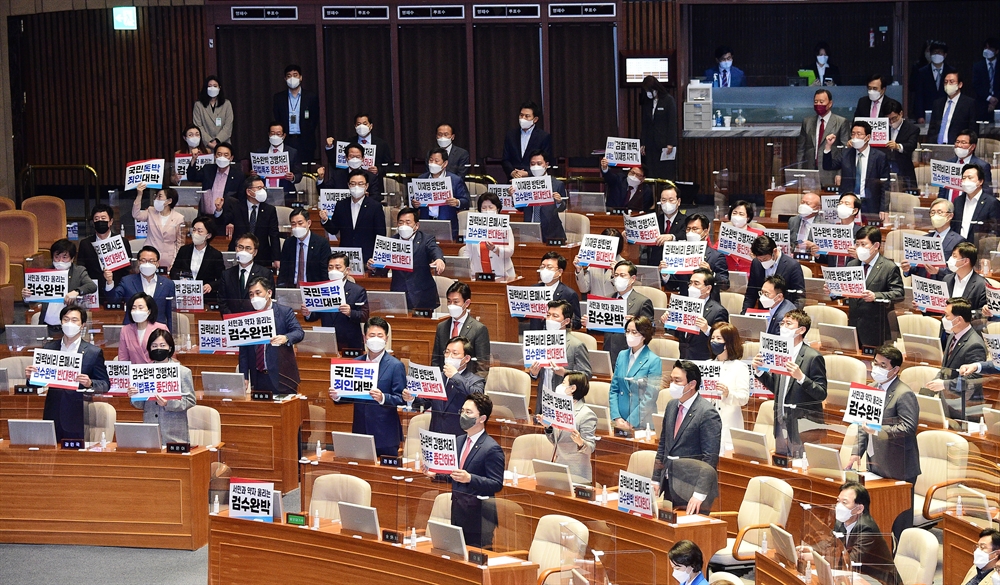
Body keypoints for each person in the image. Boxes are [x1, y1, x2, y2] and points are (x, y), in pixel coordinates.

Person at [846, 345, 919, 543]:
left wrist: (879, 431)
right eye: (875, 363)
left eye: (882, 365)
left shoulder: (904, 394)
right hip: (876, 463)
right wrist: (856, 453)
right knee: (879, 516)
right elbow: (863, 425)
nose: (876, 368)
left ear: (895, 370)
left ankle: (902, 560)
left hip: (899, 467)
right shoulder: (873, 388)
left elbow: (908, 428)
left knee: (899, 523)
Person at [428, 393, 505, 549]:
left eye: (468, 412)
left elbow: (496, 484)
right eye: (462, 411)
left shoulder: (492, 448)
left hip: (480, 518)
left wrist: (470, 478)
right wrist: (435, 474)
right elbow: (454, 474)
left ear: (482, 418)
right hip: (457, 511)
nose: (463, 415)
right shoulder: (459, 441)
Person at [24, 305, 109, 440]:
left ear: (82, 325)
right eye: (66, 319)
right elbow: (36, 384)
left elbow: (105, 384)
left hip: (78, 413)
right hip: (52, 411)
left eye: (74, 320)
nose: (70, 323)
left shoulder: (93, 352)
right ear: (61, 322)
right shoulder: (49, 348)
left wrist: (90, 382)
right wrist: (30, 377)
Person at [752, 309, 827, 456]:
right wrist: (759, 371)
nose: (783, 327)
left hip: (804, 426)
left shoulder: (813, 357)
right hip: (780, 421)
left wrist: (801, 378)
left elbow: (821, 394)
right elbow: (777, 388)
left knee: (801, 469)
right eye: (782, 323)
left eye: (788, 324)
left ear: (801, 330)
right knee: (781, 466)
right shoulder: (779, 353)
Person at [652, 360, 722, 514]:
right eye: (671, 380)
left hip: (693, 489)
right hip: (670, 483)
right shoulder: (671, 406)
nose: (672, 384)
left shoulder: (707, 413)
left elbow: (710, 458)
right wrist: (656, 478)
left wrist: (699, 494)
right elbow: (663, 445)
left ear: (691, 384)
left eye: (677, 381)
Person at [330, 316, 406, 456]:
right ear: (365, 338)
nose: (375, 339)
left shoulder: (396, 366)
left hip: (385, 434)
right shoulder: (355, 363)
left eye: (379, 335)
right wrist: (338, 396)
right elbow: (350, 394)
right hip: (360, 431)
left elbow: (401, 398)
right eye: (372, 335)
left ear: (386, 339)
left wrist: (383, 397)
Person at [836, 226, 904, 348]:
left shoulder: (889, 267)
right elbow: (846, 289)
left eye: (864, 244)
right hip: (854, 325)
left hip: (877, 329)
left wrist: (876, 296)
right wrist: (833, 290)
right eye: (857, 244)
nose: (859, 248)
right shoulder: (852, 264)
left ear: (876, 245)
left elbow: (899, 293)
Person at [366, 207, 445, 311]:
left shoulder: (426, 239)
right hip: (398, 295)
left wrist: (439, 259)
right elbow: (383, 269)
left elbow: (434, 249)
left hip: (422, 296)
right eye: (401, 222)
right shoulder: (390, 242)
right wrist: (373, 266)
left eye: (408, 222)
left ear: (416, 225)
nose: (404, 226)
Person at [406, 336, 485, 436]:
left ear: (466, 358)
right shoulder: (437, 377)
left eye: (455, 353)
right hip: (436, 435)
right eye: (447, 352)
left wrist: (455, 376)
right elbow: (425, 402)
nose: (449, 357)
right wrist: (412, 398)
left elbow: (477, 396)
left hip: (460, 437)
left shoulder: (476, 381)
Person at [128, 329, 196, 444]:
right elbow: (140, 405)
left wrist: (168, 403)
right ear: (149, 349)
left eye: (162, 345)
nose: (158, 348)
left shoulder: (183, 372)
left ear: (169, 348)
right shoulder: (143, 372)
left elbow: (190, 400)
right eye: (154, 346)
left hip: (174, 434)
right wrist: (134, 395)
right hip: (150, 432)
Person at [238, 277, 304, 395]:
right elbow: (244, 351)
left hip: (282, 377)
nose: (254, 298)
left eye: (258, 293)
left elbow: (299, 332)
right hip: (258, 378)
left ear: (269, 293)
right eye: (251, 294)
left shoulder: (284, 312)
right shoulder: (247, 317)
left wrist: (286, 338)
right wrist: (244, 376)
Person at [21, 238, 97, 336]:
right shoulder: (44, 273)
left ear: (72, 258)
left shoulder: (78, 271)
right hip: (46, 326)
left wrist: (76, 291)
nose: (60, 260)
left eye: (64, 257)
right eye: (57, 257)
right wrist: (26, 295)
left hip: (69, 327)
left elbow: (92, 286)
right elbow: (32, 302)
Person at [831, 481, 902, 585]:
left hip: (877, 581)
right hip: (857, 576)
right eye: (838, 501)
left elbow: (851, 562)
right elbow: (830, 544)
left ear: (859, 509)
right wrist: (812, 551)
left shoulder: (866, 529)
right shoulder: (841, 522)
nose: (838, 506)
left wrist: (822, 558)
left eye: (844, 503)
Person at [927, 297, 987, 418]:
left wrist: (944, 384)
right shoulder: (953, 335)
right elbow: (946, 367)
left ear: (958, 319)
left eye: (947, 315)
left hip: (965, 407)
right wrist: (936, 381)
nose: (944, 319)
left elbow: (972, 381)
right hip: (949, 402)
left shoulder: (975, 344)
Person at [823, 120, 890, 222]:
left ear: (868, 137)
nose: (855, 137)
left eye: (859, 134)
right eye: (853, 134)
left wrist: (883, 208)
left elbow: (885, 185)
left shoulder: (879, 156)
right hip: (849, 204)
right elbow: (828, 166)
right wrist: (828, 146)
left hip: (870, 203)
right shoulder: (845, 153)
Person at [530, 300, 592, 410]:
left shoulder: (576, 345)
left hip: (566, 403)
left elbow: (586, 374)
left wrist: (565, 373)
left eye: (555, 316)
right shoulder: (540, 341)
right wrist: (534, 374)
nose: (549, 319)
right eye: (548, 315)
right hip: (543, 400)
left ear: (566, 321)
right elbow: (539, 374)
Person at [537, 371, 597, 484]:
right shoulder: (557, 411)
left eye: (563, 383)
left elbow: (591, 448)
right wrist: (548, 427)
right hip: (558, 469)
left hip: (577, 474)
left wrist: (580, 442)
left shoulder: (587, 414)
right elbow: (556, 441)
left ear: (572, 388)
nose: (559, 386)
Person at [301, 252, 369, 354]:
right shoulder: (321, 289)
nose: (333, 271)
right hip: (327, 341)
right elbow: (315, 315)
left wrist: (350, 312)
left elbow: (364, 315)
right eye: (330, 267)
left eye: (338, 267)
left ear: (347, 270)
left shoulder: (358, 291)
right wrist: (308, 313)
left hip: (350, 343)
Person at [592, 260, 653, 366]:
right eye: (616, 275)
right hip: (609, 352)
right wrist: (590, 323)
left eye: (622, 275)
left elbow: (651, 330)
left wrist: (636, 322)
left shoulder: (642, 302)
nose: (618, 278)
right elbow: (598, 329)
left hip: (630, 354)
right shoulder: (607, 299)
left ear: (632, 279)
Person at [319, 168, 386, 264]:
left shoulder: (375, 206)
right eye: (353, 184)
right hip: (345, 256)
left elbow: (380, 235)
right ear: (348, 185)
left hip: (367, 257)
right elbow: (334, 230)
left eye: (360, 184)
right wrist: (325, 220)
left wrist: (376, 258)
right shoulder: (341, 204)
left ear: (366, 186)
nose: (356, 187)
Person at [609, 316, 662, 431]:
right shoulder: (622, 355)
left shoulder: (654, 360)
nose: (629, 335)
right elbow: (614, 389)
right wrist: (616, 417)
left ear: (643, 335)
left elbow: (650, 396)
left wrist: (631, 421)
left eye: (634, 332)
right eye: (627, 331)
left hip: (641, 421)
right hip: (619, 420)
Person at [220, 175, 281, 270]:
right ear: (249, 191)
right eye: (259, 188)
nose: (263, 191)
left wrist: (276, 258)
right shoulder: (236, 207)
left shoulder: (269, 210)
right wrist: (219, 211)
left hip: (261, 255)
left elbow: (274, 235)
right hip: (239, 253)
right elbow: (223, 221)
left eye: (263, 188)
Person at [107, 246, 175, 331]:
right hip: (132, 330)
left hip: (158, 332)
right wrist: (109, 282)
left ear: (158, 263)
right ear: (139, 263)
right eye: (143, 260)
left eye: (151, 261)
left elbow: (170, 314)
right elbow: (113, 299)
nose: (147, 264)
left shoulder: (168, 284)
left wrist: (170, 336)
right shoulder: (127, 281)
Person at [665, 213, 729, 300]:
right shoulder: (680, 254)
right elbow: (672, 284)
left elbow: (725, 284)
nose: (691, 232)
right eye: (688, 229)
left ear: (705, 231)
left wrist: (711, 272)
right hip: (685, 302)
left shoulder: (716, 256)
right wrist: (666, 274)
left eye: (695, 229)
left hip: (708, 306)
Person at [707, 322, 750, 452]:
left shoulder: (740, 367)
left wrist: (728, 393)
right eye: (713, 338)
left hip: (729, 422)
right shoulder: (707, 365)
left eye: (718, 338)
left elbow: (744, 399)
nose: (714, 341)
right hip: (708, 421)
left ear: (728, 343)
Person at [508, 150, 567, 242]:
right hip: (529, 231)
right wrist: (513, 196)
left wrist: (559, 201)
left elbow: (563, 207)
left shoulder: (557, 184)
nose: (536, 167)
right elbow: (520, 208)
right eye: (532, 164)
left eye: (539, 163)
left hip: (552, 233)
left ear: (546, 165)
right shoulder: (524, 183)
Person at [432, 281, 490, 373]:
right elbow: (436, 361)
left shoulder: (478, 329)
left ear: (467, 303)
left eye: (456, 302)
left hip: (467, 383)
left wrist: (473, 386)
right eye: (449, 301)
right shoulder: (441, 327)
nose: (451, 305)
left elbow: (482, 367)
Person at [901, 198, 964, 281]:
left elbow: (960, 270)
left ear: (950, 216)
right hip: (922, 287)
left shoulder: (959, 241)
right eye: (932, 212)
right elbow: (916, 267)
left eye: (939, 212)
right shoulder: (924, 239)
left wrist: (938, 271)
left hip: (943, 287)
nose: (935, 216)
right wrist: (907, 269)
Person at [673, 269, 728, 361]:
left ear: (708, 288)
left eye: (696, 283)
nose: (691, 287)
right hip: (684, 358)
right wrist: (669, 320)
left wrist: (707, 330)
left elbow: (724, 339)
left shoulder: (719, 311)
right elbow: (678, 335)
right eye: (690, 283)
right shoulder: (683, 306)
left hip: (704, 360)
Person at [78, 204, 131, 302]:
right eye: (96, 219)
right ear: (93, 222)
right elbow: (81, 269)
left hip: (117, 291)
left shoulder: (122, 242)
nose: (100, 221)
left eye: (103, 218)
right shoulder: (85, 243)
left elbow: (126, 271)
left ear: (110, 221)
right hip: (93, 293)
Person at [417, 147, 470, 240]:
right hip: (426, 221)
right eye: (431, 160)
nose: (433, 163)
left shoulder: (455, 180)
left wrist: (457, 202)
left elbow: (466, 201)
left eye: (436, 161)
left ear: (445, 163)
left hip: (447, 222)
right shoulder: (421, 179)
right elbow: (413, 200)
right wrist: (415, 204)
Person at [797, 89, 849, 184]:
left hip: (831, 172)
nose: (818, 105)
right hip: (810, 171)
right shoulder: (807, 122)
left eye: (821, 102)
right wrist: (799, 172)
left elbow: (845, 151)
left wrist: (840, 173)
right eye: (815, 102)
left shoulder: (841, 122)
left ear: (830, 103)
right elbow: (801, 149)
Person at [743, 235, 804, 312]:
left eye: (765, 259)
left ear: (774, 251)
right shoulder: (756, 263)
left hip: (784, 314)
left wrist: (791, 318)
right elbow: (750, 294)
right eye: (760, 259)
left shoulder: (792, 266)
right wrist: (745, 313)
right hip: (764, 312)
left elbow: (799, 298)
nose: (762, 262)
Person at [272, 64, 320, 163]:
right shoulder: (279, 98)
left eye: (295, 75)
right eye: (289, 76)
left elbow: (315, 119)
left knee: (305, 170)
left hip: (305, 140)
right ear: (285, 78)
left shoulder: (311, 97)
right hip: (286, 140)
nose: (292, 78)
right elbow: (277, 117)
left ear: (301, 77)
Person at [217, 234, 273, 316]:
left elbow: (268, 300)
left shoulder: (265, 273)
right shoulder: (226, 274)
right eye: (240, 247)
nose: (243, 251)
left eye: (248, 248)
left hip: (256, 321)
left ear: (255, 252)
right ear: (236, 249)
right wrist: (232, 319)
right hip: (232, 322)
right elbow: (222, 301)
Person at [170, 216, 225, 299]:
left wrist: (210, 285)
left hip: (205, 297)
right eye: (194, 230)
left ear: (208, 235)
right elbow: (174, 271)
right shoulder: (184, 250)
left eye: (200, 231)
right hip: (184, 294)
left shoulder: (215, 255)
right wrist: (180, 279)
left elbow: (222, 278)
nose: (195, 233)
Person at [132, 183, 185, 269]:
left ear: (169, 201)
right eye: (156, 196)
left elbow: (180, 243)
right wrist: (139, 194)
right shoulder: (151, 211)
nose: (156, 199)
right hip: (150, 256)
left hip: (169, 258)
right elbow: (136, 214)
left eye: (159, 196)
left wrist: (176, 261)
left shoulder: (179, 218)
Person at [187, 142, 245, 221]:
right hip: (206, 217)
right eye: (219, 154)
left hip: (226, 218)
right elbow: (192, 177)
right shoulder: (208, 169)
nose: (222, 157)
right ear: (215, 156)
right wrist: (194, 159)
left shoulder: (238, 175)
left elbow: (240, 200)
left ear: (231, 158)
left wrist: (233, 221)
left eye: (226, 155)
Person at [463, 192, 515, 279]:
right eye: (484, 208)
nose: (487, 210)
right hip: (478, 274)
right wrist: (464, 267)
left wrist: (495, 249)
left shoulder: (505, 227)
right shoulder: (474, 227)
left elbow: (510, 251)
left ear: (497, 209)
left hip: (502, 274)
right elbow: (468, 251)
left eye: (491, 207)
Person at [528, 252, 582, 331]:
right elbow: (521, 318)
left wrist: (558, 320)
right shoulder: (532, 290)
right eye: (542, 267)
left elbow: (577, 323)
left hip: (558, 337)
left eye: (549, 267)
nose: (545, 270)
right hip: (536, 337)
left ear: (560, 272)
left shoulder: (569, 294)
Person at [277, 207, 331, 287]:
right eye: (293, 224)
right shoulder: (288, 243)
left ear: (308, 223)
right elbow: (283, 271)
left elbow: (324, 272)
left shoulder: (321, 244)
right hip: (292, 288)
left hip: (313, 288)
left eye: (300, 223)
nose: (297, 227)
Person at [501, 100, 553, 180]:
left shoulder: (543, 137)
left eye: (527, 116)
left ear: (535, 119)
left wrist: (528, 173)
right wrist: (512, 172)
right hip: (513, 180)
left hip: (534, 180)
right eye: (521, 115)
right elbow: (505, 159)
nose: (523, 118)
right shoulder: (510, 135)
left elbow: (546, 161)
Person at [809, 193, 864, 267]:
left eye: (846, 203)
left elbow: (868, 260)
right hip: (833, 274)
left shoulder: (862, 233)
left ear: (854, 211)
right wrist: (818, 254)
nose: (842, 206)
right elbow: (826, 259)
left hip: (851, 274)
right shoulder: (830, 230)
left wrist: (859, 256)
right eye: (840, 203)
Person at [316, 142, 385, 201]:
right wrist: (320, 178)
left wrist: (365, 198)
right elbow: (324, 193)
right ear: (346, 158)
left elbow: (376, 197)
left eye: (358, 157)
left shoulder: (371, 176)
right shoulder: (338, 175)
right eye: (352, 156)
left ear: (363, 158)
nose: (355, 159)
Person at [639, 75, 678, 180]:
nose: (648, 92)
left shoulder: (668, 100)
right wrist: (643, 143)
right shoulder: (647, 102)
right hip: (650, 144)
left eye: (649, 90)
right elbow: (645, 123)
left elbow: (672, 123)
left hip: (664, 143)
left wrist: (671, 143)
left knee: (665, 173)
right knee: (651, 173)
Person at [939, 130, 994, 200]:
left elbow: (986, 192)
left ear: (972, 146)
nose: (959, 145)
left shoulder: (982, 166)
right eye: (957, 142)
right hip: (948, 206)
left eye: (963, 143)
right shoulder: (948, 163)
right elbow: (942, 190)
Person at [324, 113, 393, 168]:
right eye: (358, 124)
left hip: (373, 182)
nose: (362, 126)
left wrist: (378, 170)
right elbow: (336, 163)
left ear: (371, 126)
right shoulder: (348, 143)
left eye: (365, 124)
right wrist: (330, 147)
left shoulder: (381, 144)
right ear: (355, 127)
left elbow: (388, 166)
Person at [952, 163, 1000, 242]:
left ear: (980, 181)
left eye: (970, 178)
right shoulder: (958, 201)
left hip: (980, 250)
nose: (966, 181)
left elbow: (995, 232)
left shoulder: (992, 203)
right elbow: (954, 226)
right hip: (958, 247)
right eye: (964, 178)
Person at [928, 72, 979, 147]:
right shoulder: (938, 103)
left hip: (958, 147)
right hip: (937, 147)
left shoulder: (969, 104)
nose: (948, 84)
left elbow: (972, 129)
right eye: (946, 82)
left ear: (960, 84)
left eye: (951, 82)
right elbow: (932, 128)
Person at [574, 227, 626, 299]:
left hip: (614, 305)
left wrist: (615, 274)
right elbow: (584, 289)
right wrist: (579, 270)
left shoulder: (624, 265)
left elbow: (622, 290)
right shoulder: (594, 263)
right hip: (596, 306)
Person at [645, 182, 687, 270]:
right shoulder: (654, 220)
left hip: (675, 267)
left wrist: (672, 237)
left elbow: (685, 235)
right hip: (655, 267)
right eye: (664, 200)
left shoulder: (686, 220)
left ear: (678, 202)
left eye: (671, 200)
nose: (667, 203)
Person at [117, 292, 169, 364]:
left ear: (149, 311)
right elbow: (123, 358)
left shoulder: (161, 328)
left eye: (140, 308)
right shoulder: (125, 330)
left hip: (157, 371)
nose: (137, 311)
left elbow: (169, 356)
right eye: (134, 308)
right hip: (135, 373)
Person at [711, 200, 757, 274]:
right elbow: (714, 253)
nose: (737, 216)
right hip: (726, 274)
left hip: (750, 275)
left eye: (741, 214)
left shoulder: (757, 235)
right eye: (734, 213)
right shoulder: (725, 233)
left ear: (748, 217)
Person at [914, 41, 955, 123]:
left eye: (939, 52)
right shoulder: (922, 72)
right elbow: (919, 96)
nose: (937, 55)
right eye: (934, 52)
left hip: (947, 111)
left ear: (945, 55)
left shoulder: (952, 72)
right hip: (928, 112)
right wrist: (920, 116)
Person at [883, 101, 920, 189]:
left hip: (903, 168)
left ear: (901, 114)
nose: (891, 122)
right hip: (885, 166)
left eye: (894, 118)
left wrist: (898, 146)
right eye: (888, 119)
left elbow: (911, 145)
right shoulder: (882, 127)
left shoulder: (912, 129)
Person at [257, 121, 303, 192]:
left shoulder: (292, 152)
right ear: (268, 134)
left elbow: (299, 175)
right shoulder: (260, 152)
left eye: (278, 134)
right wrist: (254, 175)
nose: (275, 136)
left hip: (286, 192)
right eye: (272, 134)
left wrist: (292, 177)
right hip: (264, 191)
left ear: (284, 136)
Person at [943, 242, 989, 313]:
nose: (950, 259)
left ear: (965, 261)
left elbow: (983, 313)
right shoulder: (947, 279)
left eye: (954, 256)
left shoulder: (982, 285)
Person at [193, 75, 233, 150]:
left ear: (219, 88)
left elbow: (228, 126)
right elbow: (198, 126)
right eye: (210, 86)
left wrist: (217, 140)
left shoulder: (227, 104)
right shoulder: (198, 105)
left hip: (223, 145)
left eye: (215, 86)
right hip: (205, 145)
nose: (212, 88)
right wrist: (209, 142)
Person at [973, 38, 1000, 123]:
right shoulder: (978, 66)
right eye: (985, 48)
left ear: (997, 51)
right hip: (982, 103)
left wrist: (995, 99)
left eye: (990, 49)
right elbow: (976, 85)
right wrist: (989, 98)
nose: (987, 51)